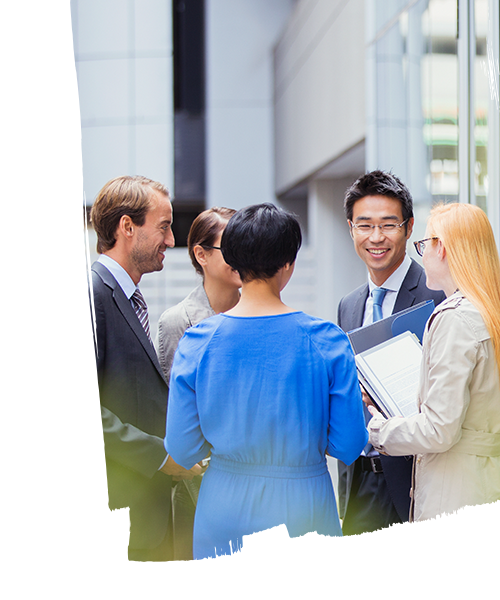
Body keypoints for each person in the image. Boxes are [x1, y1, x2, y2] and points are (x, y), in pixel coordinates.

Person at [165, 202, 368, 562]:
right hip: (303, 510)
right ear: (288, 264)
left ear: (233, 259)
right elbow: (349, 444)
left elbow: (181, 449)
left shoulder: (198, 341)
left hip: (222, 510)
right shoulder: (327, 340)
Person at [70, 175, 202, 562]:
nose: (171, 240)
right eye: (163, 226)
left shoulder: (128, 300)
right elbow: (74, 406)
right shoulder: (87, 296)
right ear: (127, 227)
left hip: (142, 523)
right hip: (113, 526)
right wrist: (161, 457)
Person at [367, 202, 500, 562]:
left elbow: (439, 430)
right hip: (481, 487)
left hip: (454, 498)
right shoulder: (488, 311)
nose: (422, 255)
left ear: (442, 247)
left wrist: (379, 429)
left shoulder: (455, 318)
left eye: (424, 245)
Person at [337, 170, 445, 562]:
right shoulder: (349, 305)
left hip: (420, 482)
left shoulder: (436, 294)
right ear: (351, 229)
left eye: (388, 225)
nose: (376, 237)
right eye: (365, 225)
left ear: (409, 227)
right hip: (362, 482)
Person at [155, 206, 241, 561]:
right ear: (201, 255)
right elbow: (173, 410)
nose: (242, 256)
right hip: (199, 488)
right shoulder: (179, 322)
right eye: (230, 247)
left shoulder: (260, 314)